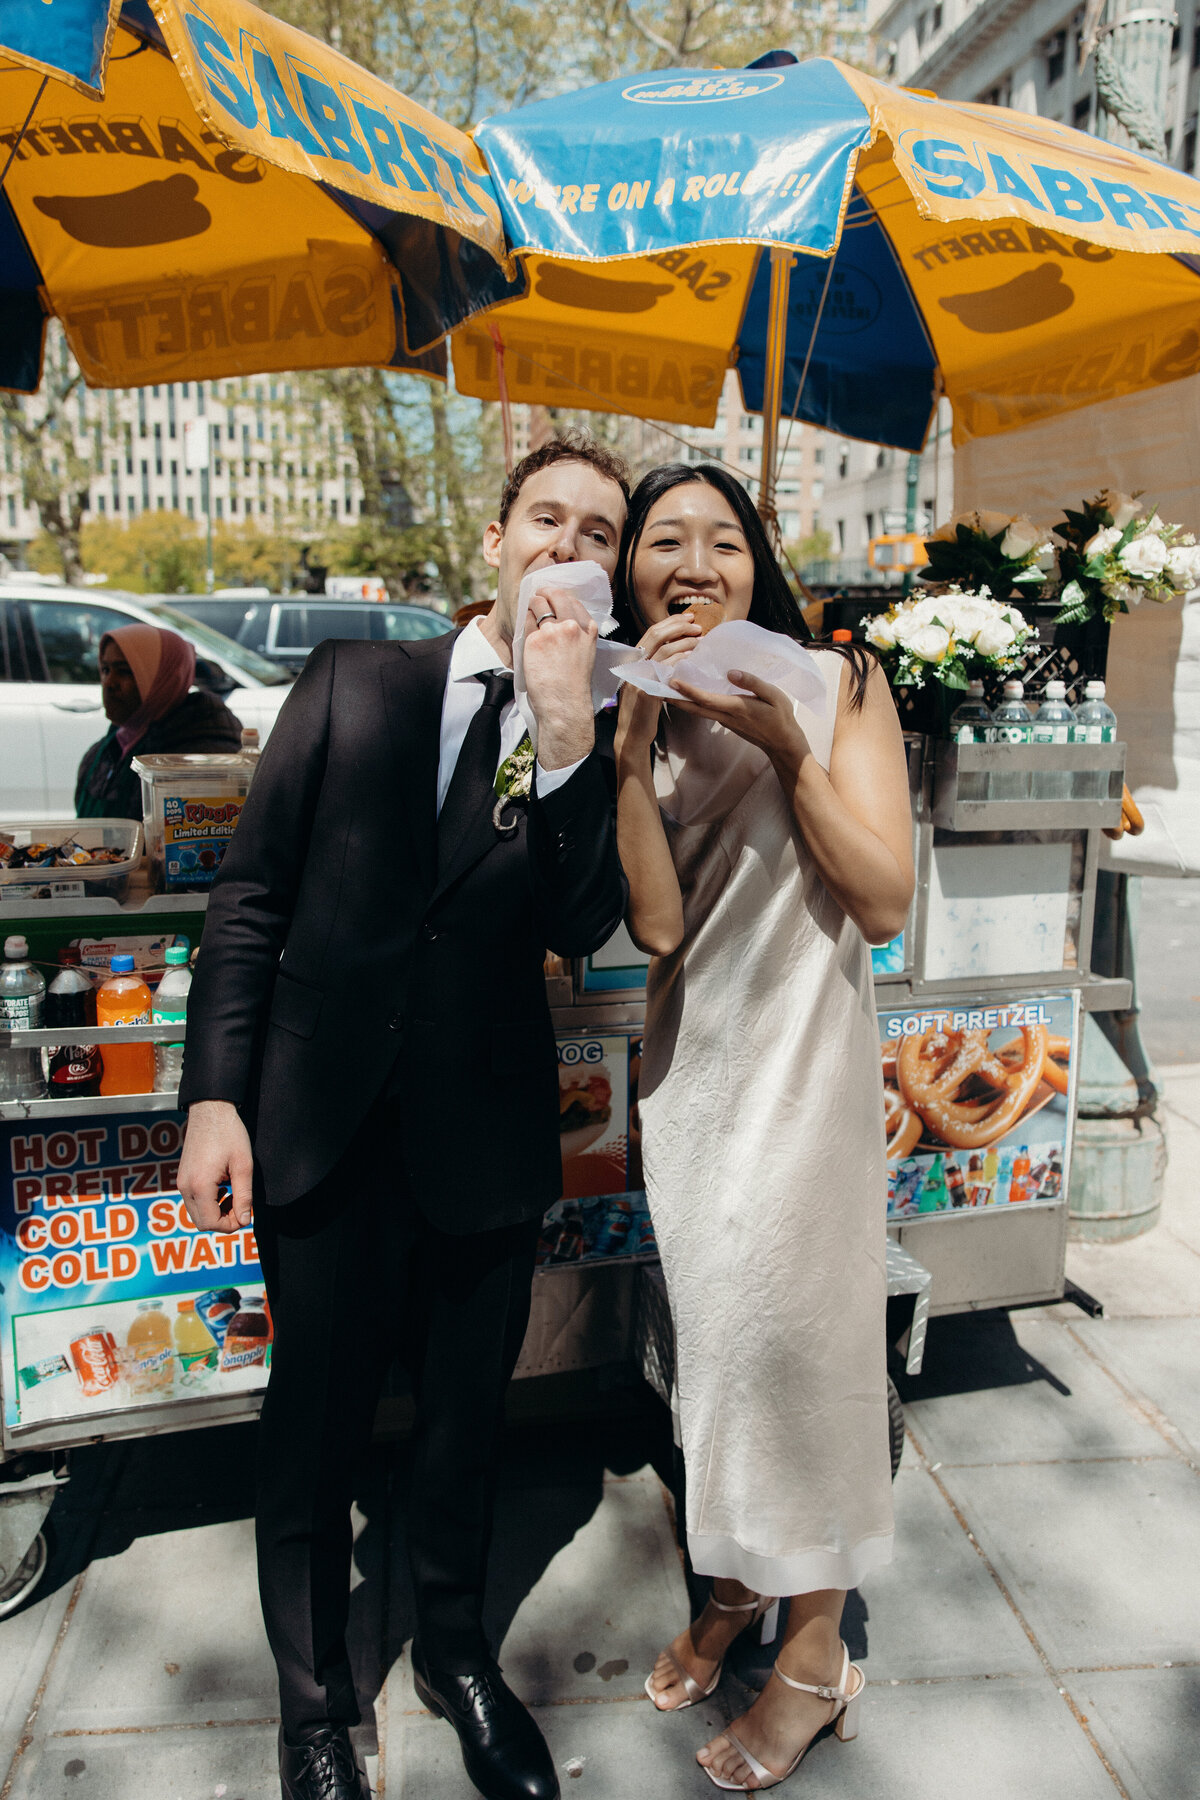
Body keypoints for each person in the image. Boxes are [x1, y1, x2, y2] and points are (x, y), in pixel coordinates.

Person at [175, 434, 630, 1800]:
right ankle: (314, 1708)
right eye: (545, 517)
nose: (568, 544)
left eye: (599, 532)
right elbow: (251, 898)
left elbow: (583, 921)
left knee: (461, 1425)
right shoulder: (353, 682)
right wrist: (214, 1097)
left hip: (481, 1132)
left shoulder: (598, 730)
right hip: (319, 1117)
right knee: (310, 1430)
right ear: (493, 541)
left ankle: (455, 1653)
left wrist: (566, 738)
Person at [612, 464, 915, 1792]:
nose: (693, 564)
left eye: (721, 542)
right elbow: (659, 926)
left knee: (810, 1347)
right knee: (723, 1352)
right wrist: (627, 742)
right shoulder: (641, 708)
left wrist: (790, 746)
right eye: (663, 542)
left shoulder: (840, 683)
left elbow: (884, 897)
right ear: (630, 573)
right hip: (694, 1070)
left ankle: (815, 1651)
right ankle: (736, 1582)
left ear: (759, 562)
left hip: (807, 1069)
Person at [75, 623, 242, 818]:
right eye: (105, 670)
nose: (110, 683)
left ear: (164, 677)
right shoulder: (104, 751)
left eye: (125, 671)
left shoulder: (202, 756)